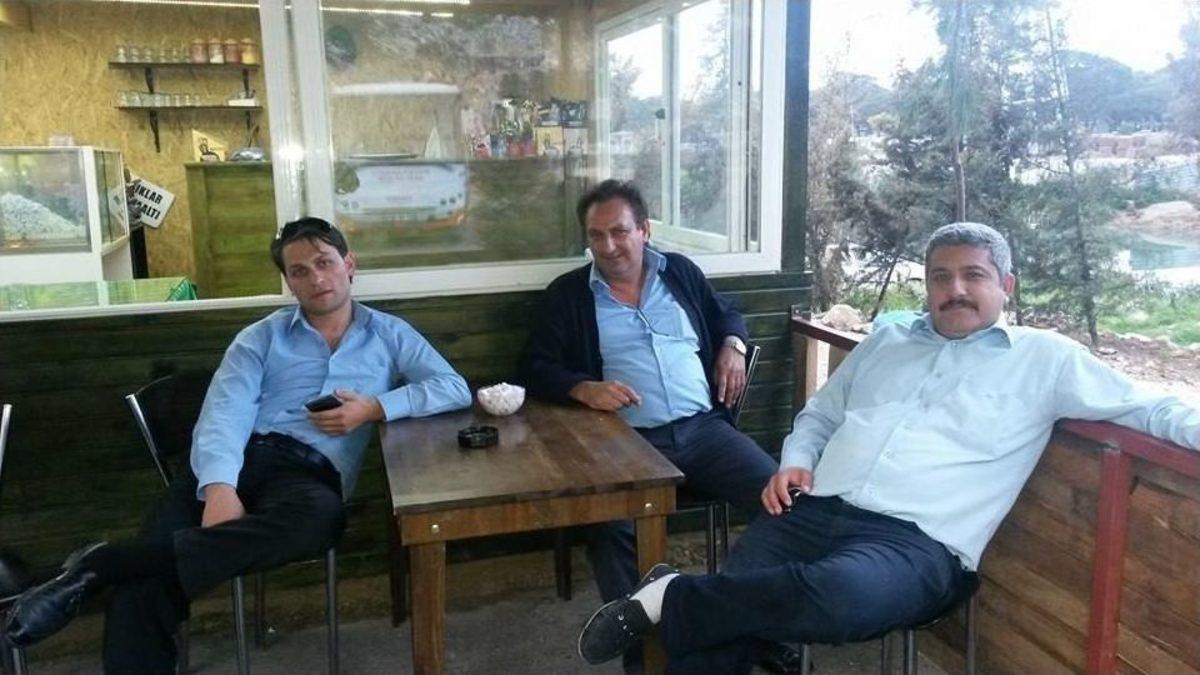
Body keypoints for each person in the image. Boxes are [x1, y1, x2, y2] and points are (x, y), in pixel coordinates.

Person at [576, 221, 1200, 674]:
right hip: (812, 509)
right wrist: (796, 460)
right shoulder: (887, 341)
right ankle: (683, 602)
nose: (955, 289)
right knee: (723, 630)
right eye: (940, 277)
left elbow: (1151, 408)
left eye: (974, 275)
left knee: (835, 597)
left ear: (1006, 284)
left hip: (915, 543)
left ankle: (667, 595)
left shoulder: (1047, 360)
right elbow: (822, 413)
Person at [5, 217, 471, 672]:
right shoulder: (260, 337)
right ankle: (121, 576)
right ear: (288, 282)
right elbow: (223, 415)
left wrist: (374, 408)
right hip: (234, 458)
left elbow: (453, 387)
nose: (316, 278)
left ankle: (104, 563)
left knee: (318, 521)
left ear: (349, 265)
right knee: (144, 586)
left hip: (307, 474)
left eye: (325, 262)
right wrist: (220, 488)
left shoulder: (389, 334)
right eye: (299, 271)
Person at [520, 179, 780, 669]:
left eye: (619, 232)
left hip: (705, 431)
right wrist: (584, 387)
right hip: (626, 443)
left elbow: (726, 312)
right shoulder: (569, 295)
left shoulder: (679, 272)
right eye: (596, 236)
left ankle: (746, 622)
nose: (608, 246)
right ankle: (648, 658)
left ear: (644, 230)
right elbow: (535, 367)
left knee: (783, 502)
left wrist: (733, 345)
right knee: (609, 526)